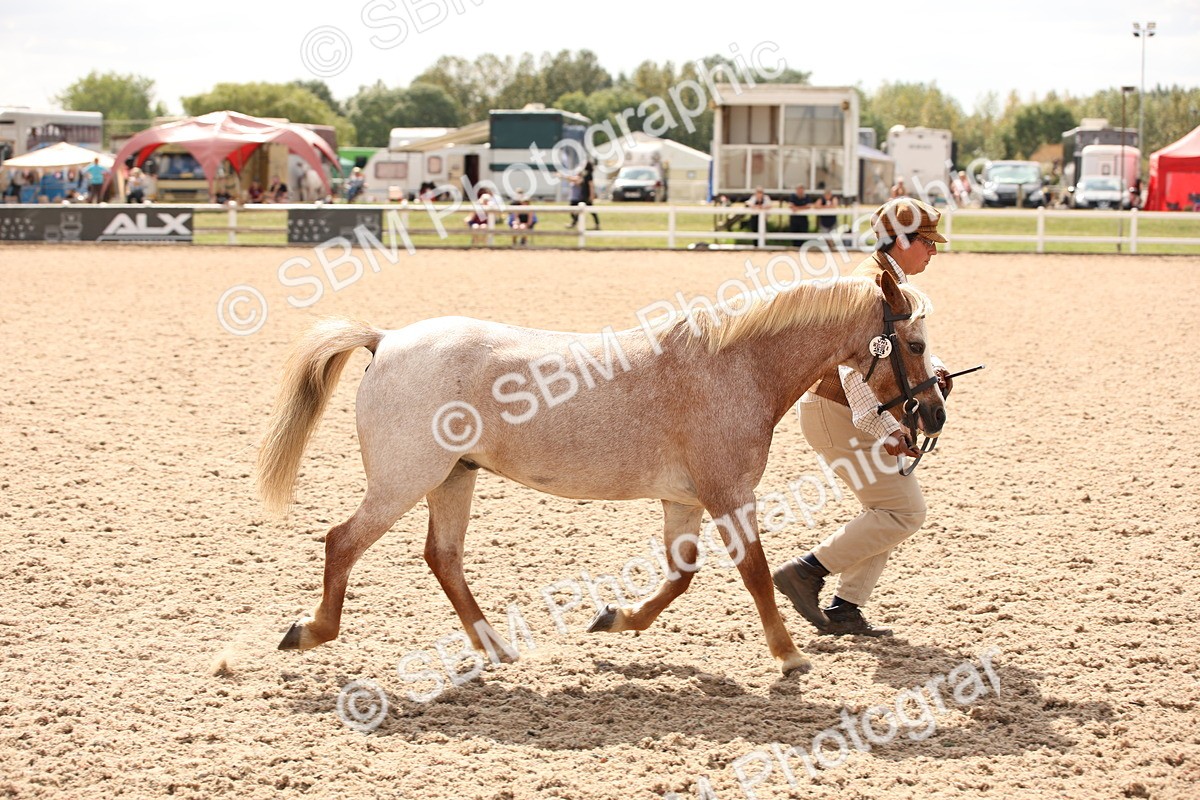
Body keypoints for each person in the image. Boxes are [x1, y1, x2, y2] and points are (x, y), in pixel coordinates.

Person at [772, 197, 954, 638]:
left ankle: (845, 607)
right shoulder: (871, 286)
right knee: (904, 511)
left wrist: (932, 374)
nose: (933, 251)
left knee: (887, 509)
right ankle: (806, 572)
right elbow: (858, 374)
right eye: (927, 242)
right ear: (903, 239)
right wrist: (888, 428)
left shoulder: (890, 280)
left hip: (839, 411)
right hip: (839, 411)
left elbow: (895, 357)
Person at [566, 160, 599, 230]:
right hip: (583, 195)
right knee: (577, 210)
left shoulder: (589, 175)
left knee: (590, 211)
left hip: (586, 196)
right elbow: (579, 183)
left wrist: (591, 196)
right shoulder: (584, 174)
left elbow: (591, 186)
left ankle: (597, 224)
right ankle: (574, 223)